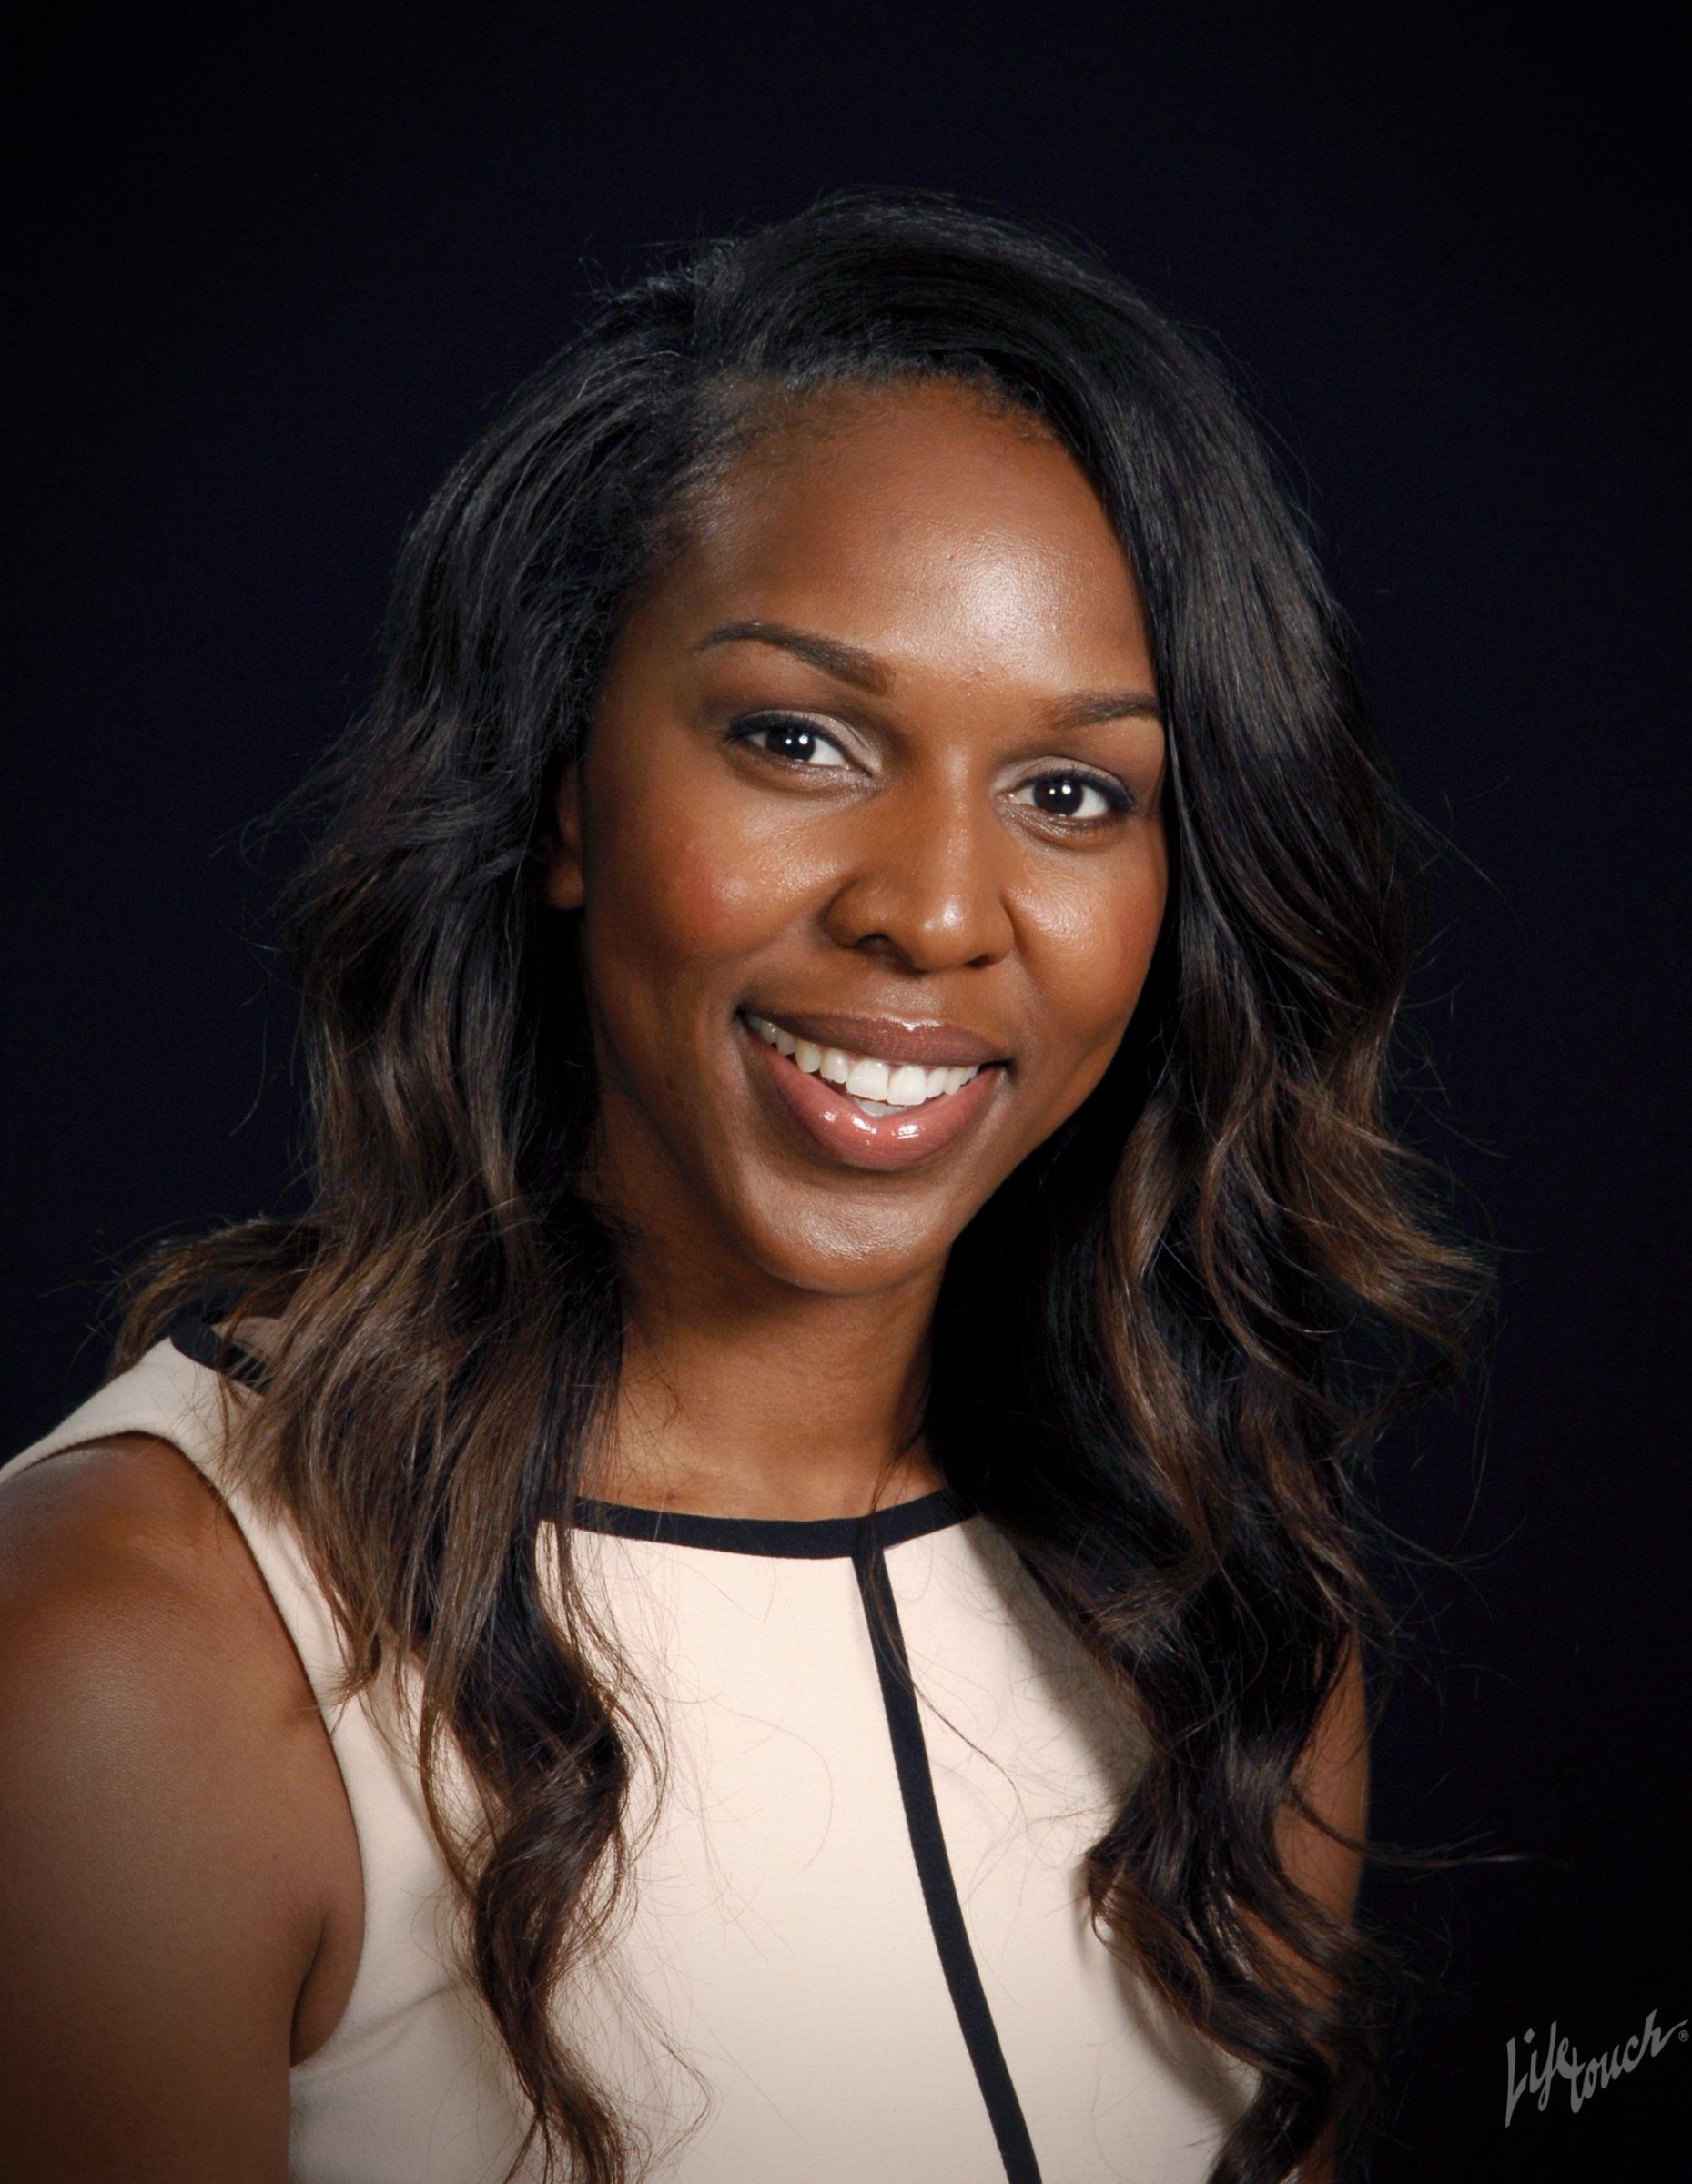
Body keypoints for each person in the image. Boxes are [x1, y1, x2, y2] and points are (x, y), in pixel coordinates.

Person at [0, 193, 1481, 2184]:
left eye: (1074, 793)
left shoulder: (1211, 1612)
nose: (939, 915)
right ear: (561, 795)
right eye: (798, 738)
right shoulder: (129, 1651)